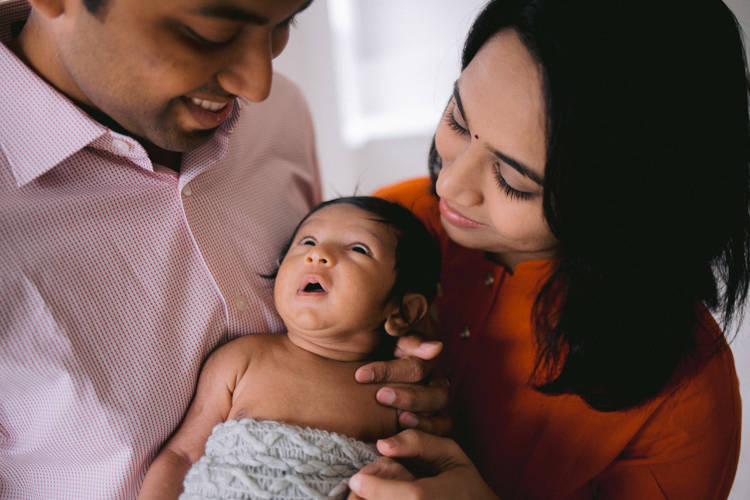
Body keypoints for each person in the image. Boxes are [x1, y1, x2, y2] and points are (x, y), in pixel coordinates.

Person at [0, 1, 447, 498]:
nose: (258, 85)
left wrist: (411, 387)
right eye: (209, 33)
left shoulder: (280, 116)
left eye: (283, 25)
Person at [347, 0, 750, 498]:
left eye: (513, 180)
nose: (449, 184)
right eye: (457, 118)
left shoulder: (683, 399)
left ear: (625, 206)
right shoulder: (388, 227)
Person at [137, 196, 442, 499]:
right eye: (307, 241)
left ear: (403, 311)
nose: (318, 254)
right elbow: (183, 455)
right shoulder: (243, 358)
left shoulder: (400, 395)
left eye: (358, 249)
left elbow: (417, 481)